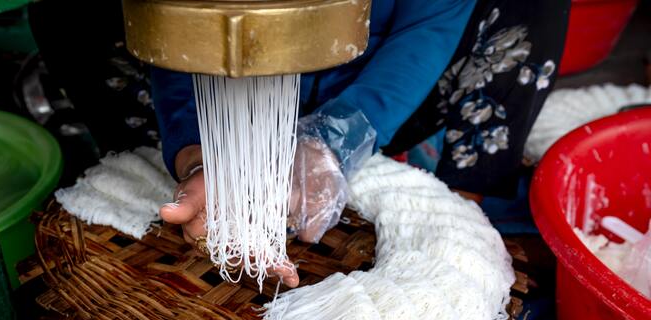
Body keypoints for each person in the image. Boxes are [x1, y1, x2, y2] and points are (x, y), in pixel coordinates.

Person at [151, 0, 570, 287]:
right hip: (225, 80)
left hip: (375, 76)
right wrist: (198, 152)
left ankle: (456, 222)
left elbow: (428, 28)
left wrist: (334, 139)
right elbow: (171, 25)